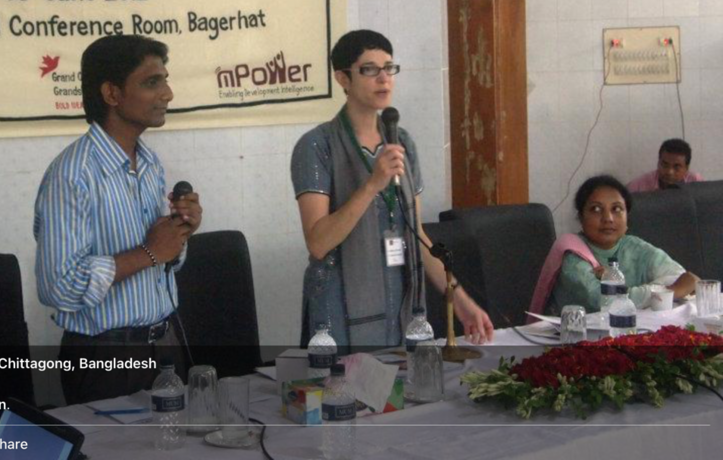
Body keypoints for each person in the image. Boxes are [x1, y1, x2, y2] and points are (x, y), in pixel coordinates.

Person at [290, 30, 494, 350]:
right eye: (369, 69)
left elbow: (417, 235)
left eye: (389, 68)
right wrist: (372, 184)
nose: (384, 78)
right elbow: (318, 242)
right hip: (339, 308)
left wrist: (461, 301)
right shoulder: (316, 146)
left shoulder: (402, 143)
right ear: (343, 78)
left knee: (406, 394)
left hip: (399, 302)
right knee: (347, 397)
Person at [34, 34, 202, 405]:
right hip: (106, 358)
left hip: (165, 344)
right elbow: (58, 287)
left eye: (165, 79)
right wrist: (150, 251)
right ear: (112, 94)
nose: (168, 93)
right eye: (151, 82)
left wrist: (178, 236)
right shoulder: (72, 174)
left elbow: (161, 262)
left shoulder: (149, 161)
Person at [531, 175, 698, 316]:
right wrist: (669, 291)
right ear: (581, 217)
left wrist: (621, 287)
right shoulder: (571, 252)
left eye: (617, 209)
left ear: (627, 217)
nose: (608, 218)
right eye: (596, 209)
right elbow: (605, 300)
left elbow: (680, 277)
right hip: (576, 341)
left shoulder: (634, 247)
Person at [627, 138, 704, 192]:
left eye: (676, 167)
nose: (669, 172)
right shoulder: (639, 186)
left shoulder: (695, 182)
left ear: (686, 168)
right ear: (658, 163)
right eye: (665, 165)